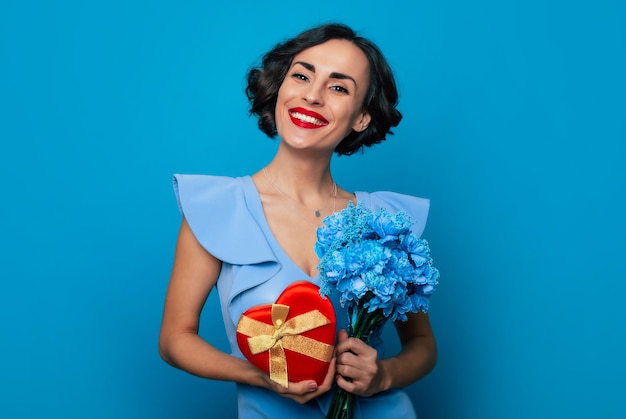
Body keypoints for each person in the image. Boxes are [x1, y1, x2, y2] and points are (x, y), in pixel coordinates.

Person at [159, 23, 437, 418]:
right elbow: (174, 339)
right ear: (280, 87)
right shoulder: (218, 209)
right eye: (302, 75)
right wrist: (260, 377)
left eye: (338, 87)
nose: (312, 94)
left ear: (361, 117)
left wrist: (383, 376)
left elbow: (423, 345)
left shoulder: (385, 222)